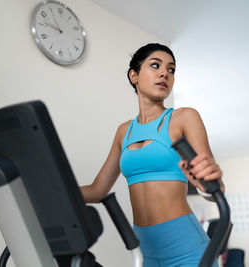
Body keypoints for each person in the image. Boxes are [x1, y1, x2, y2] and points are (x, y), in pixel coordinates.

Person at [80, 43, 224, 267]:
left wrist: (209, 184)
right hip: (146, 253)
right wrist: (49, 194)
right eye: (155, 65)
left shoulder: (184, 118)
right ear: (134, 75)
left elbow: (212, 190)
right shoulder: (123, 131)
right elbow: (98, 190)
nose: (164, 73)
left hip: (188, 251)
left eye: (171, 69)